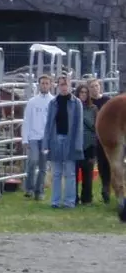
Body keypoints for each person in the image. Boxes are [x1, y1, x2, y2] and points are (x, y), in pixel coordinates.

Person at [43, 75, 83, 209]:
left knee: (70, 173)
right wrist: (46, 143)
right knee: (56, 173)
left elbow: (79, 126)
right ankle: (55, 201)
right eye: (61, 84)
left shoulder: (76, 102)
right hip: (56, 139)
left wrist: (78, 144)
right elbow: (48, 124)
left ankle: (69, 201)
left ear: (70, 85)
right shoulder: (53, 103)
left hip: (70, 140)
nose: (64, 87)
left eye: (66, 84)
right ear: (57, 86)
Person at [21, 75, 54, 200]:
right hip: (34, 137)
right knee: (33, 161)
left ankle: (39, 191)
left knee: (43, 166)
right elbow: (27, 120)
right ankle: (29, 187)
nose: (44, 85)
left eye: (47, 83)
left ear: (50, 85)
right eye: (42, 83)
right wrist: (25, 138)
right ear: (39, 85)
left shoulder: (53, 101)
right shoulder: (32, 102)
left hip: (46, 138)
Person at [87, 78, 111, 203]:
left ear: (100, 87)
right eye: (92, 86)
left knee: (108, 162)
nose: (95, 88)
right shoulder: (87, 102)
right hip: (91, 136)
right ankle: (103, 187)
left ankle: (107, 186)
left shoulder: (107, 101)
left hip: (106, 136)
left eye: (96, 86)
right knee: (99, 163)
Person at [75, 83, 98, 205]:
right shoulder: (73, 107)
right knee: (74, 174)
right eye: (81, 92)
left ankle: (87, 198)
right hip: (75, 145)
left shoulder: (93, 109)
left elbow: (95, 127)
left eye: (85, 92)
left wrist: (83, 117)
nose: (83, 95)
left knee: (88, 174)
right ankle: (73, 197)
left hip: (89, 144)